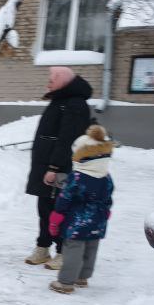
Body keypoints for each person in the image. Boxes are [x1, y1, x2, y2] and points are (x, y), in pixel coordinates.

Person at [26, 66, 92, 270]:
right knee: (45, 208)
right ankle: (43, 247)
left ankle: (64, 252)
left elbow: (67, 140)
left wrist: (54, 166)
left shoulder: (75, 104)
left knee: (61, 210)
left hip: (60, 168)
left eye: (52, 79)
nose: (48, 82)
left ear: (63, 81)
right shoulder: (60, 101)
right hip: (45, 166)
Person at [48, 124, 114, 294]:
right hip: (98, 219)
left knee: (73, 250)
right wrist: (106, 212)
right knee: (91, 248)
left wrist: (57, 216)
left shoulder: (76, 177)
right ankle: (82, 278)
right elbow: (108, 197)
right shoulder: (106, 177)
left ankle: (66, 282)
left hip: (76, 221)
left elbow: (65, 198)